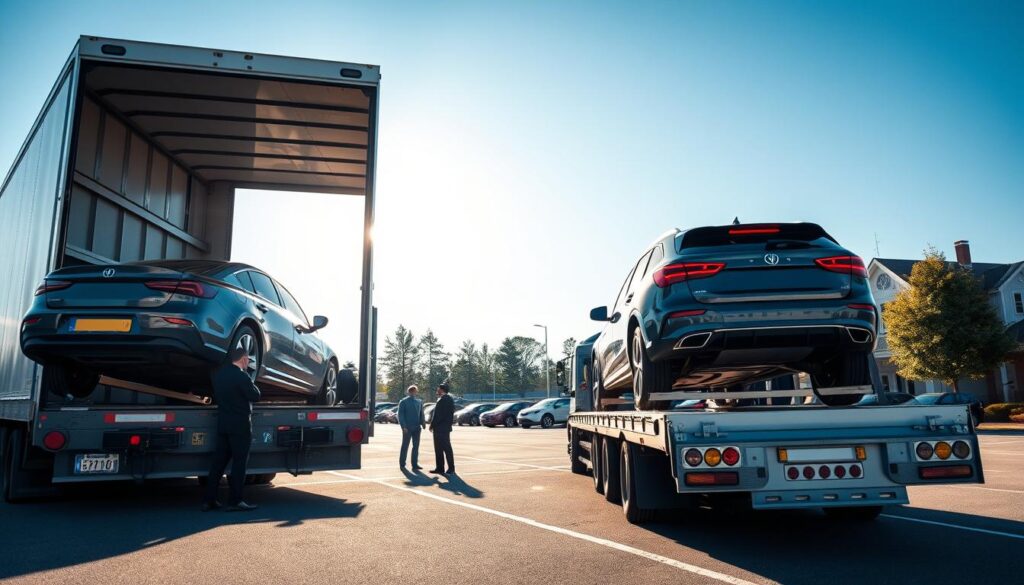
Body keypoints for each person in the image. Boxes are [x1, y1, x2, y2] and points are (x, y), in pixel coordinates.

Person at [202, 346, 261, 512]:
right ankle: (235, 501)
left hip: (223, 425)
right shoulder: (242, 376)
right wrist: (250, 379)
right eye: (248, 359)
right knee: (239, 464)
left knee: (218, 464)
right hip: (240, 426)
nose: (248, 362)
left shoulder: (219, 375)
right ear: (243, 359)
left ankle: (209, 500)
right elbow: (255, 395)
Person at [428, 383, 456, 475]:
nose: (437, 390)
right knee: (439, 449)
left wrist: (432, 425)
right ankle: (440, 468)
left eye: (438, 389)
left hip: (441, 428)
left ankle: (449, 468)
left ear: (442, 390)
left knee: (445, 448)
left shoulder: (443, 400)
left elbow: (438, 415)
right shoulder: (449, 399)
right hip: (444, 428)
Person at [397, 385, 425, 470]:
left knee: (416, 446)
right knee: (405, 445)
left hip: (417, 428)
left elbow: (421, 413)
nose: (414, 393)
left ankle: (415, 464)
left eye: (415, 391)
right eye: (412, 391)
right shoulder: (403, 402)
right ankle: (402, 463)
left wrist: (423, 423)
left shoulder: (419, 402)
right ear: (409, 392)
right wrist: (403, 426)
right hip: (407, 428)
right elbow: (400, 415)